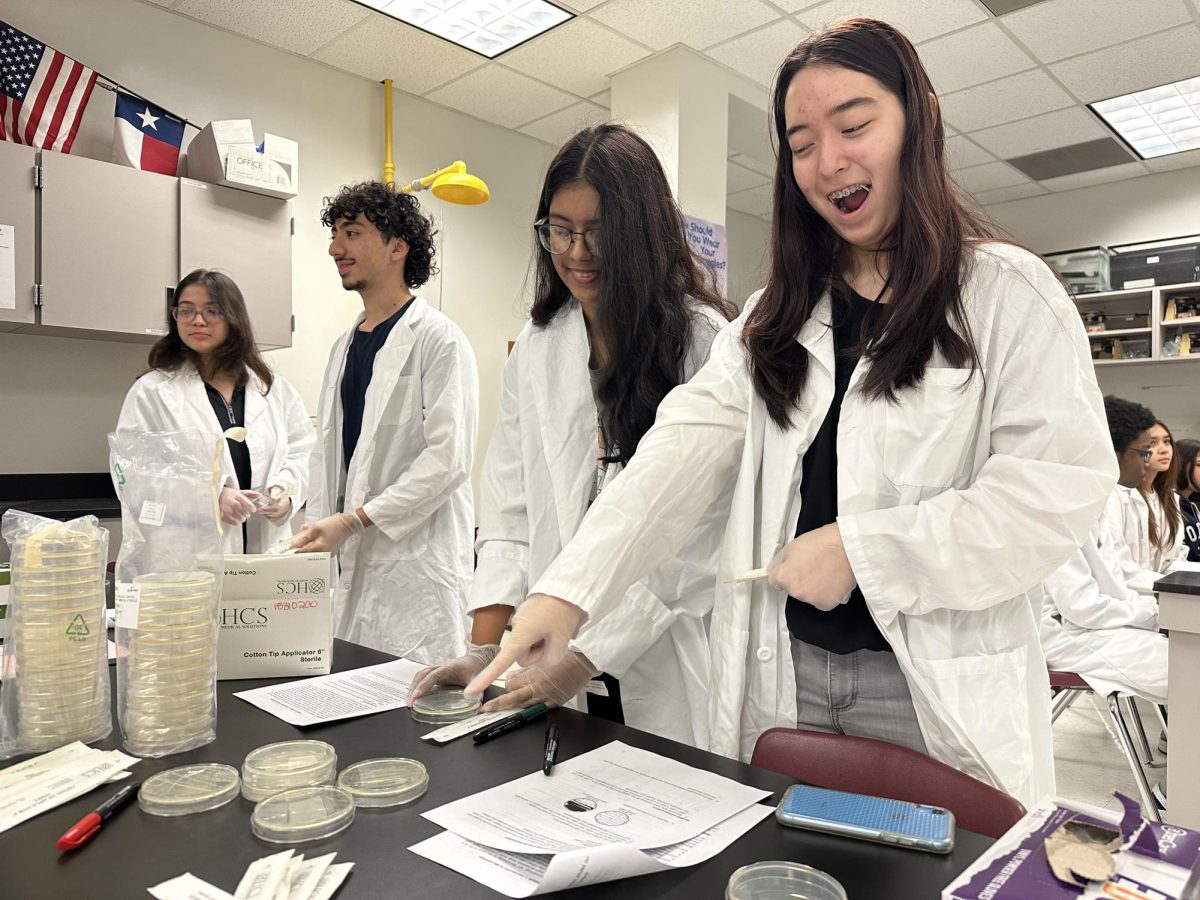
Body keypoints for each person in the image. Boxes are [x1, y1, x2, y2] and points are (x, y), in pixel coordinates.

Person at [467, 17, 1117, 808]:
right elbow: (676, 454)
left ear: (922, 119)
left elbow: (1053, 495)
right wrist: (567, 592)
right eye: (801, 144)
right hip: (788, 679)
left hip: (927, 691)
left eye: (853, 125)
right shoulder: (775, 315)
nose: (827, 161)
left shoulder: (1006, 295)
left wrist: (864, 549)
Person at [407, 125, 736, 745]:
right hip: (550, 657)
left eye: (599, 233)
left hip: (667, 655)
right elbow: (511, 507)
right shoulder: (538, 345)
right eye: (560, 230)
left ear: (642, 234)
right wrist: (486, 651)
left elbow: (700, 532)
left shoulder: (703, 341)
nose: (577, 252)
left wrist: (587, 656)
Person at [296, 181, 479, 665]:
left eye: (352, 233)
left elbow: (449, 460)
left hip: (416, 565)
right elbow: (331, 456)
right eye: (335, 234)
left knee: (415, 701)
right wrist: (320, 527)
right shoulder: (343, 347)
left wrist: (355, 521)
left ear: (398, 246)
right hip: (351, 560)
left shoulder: (439, 340)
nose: (336, 248)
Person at [116, 269, 313, 554]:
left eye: (212, 310)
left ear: (234, 318)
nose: (198, 320)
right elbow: (134, 474)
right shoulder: (153, 392)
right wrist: (210, 495)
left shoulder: (273, 390)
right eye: (186, 311)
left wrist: (286, 492)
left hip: (265, 548)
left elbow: (302, 451)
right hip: (188, 556)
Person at [1040, 395, 1166, 704]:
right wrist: (1149, 614)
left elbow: (1114, 581)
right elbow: (1080, 606)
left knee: (1184, 652)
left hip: (1090, 627)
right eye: (1143, 452)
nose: (1147, 461)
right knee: (1186, 667)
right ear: (1111, 452)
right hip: (1062, 635)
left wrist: (1153, 614)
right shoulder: (1062, 505)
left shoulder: (1093, 501)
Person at [1102, 400, 1171, 594]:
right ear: (1115, 454)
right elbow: (1121, 573)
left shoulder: (1130, 494)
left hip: (1131, 603)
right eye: (1144, 452)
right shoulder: (1106, 499)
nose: (1147, 462)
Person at [1141, 420, 1187, 572]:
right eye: (1152, 443)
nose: (1164, 450)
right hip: (1135, 591)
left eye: (1167, 442)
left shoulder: (1171, 498)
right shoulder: (1122, 496)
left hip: (1166, 590)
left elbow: (1177, 554)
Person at [1176, 438, 1200, 562]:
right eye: (1199, 465)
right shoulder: (1168, 505)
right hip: (1182, 578)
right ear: (1181, 465)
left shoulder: (1191, 506)